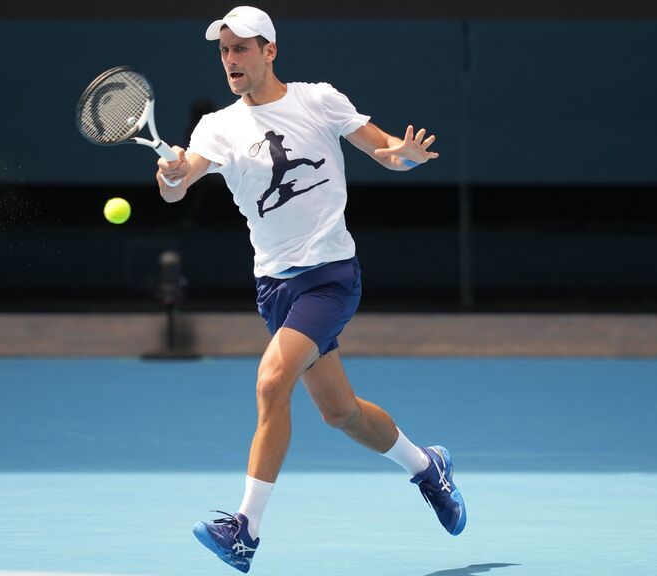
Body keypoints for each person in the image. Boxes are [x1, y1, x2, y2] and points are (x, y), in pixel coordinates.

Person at [154, 6, 465, 573]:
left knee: (272, 380)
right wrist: (172, 176)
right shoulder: (217, 127)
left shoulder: (318, 99)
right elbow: (182, 182)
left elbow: (384, 149)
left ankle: (244, 530)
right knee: (340, 413)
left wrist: (406, 156)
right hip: (274, 288)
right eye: (223, 51)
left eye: (241, 48)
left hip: (330, 277)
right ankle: (428, 467)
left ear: (270, 51)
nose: (230, 60)